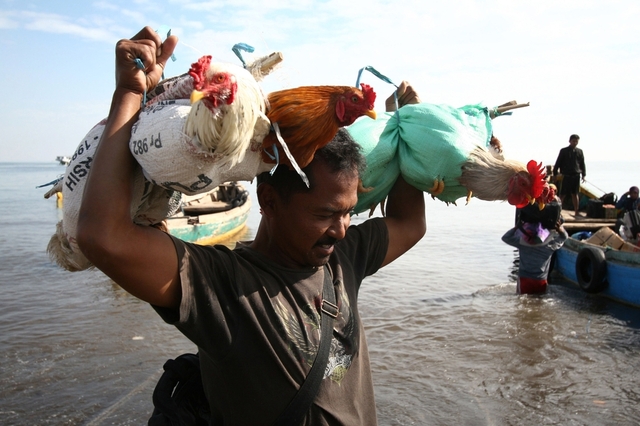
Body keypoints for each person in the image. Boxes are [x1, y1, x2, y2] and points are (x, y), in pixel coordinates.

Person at [76, 27, 426, 425]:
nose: (342, 229)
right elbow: (102, 236)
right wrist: (130, 93)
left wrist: (407, 126)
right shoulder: (224, 287)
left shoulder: (343, 259)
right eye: (325, 214)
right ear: (269, 202)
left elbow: (408, 222)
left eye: (348, 212)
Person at [502, 220, 568, 294]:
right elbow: (564, 237)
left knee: (522, 301)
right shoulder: (549, 246)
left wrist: (516, 227)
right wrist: (560, 230)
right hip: (541, 281)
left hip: (524, 280)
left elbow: (505, 237)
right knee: (540, 301)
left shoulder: (521, 243)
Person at [553, 134, 586, 217]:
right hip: (567, 175)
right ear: (570, 141)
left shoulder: (580, 151)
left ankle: (576, 211)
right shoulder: (564, 151)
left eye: (576, 141)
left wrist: (584, 175)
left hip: (576, 175)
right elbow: (558, 162)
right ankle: (558, 211)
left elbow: (582, 163)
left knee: (575, 194)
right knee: (562, 194)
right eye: (573, 141)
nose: (575, 143)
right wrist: (555, 173)